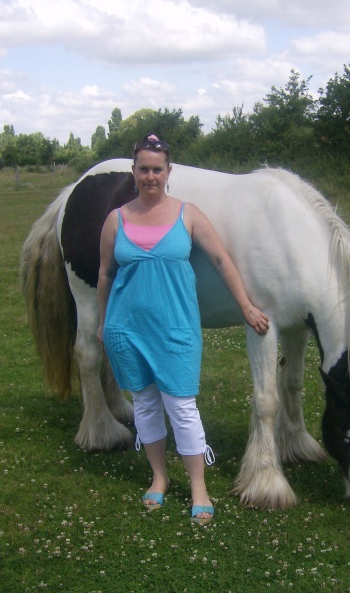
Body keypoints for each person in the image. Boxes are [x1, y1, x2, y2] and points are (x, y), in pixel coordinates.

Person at [97, 134, 269, 524]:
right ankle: (159, 477)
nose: (150, 176)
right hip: (127, 329)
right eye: (143, 169)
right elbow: (105, 274)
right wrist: (104, 323)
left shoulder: (187, 214)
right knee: (144, 403)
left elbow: (222, 261)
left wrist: (245, 305)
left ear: (169, 172)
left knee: (182, 407)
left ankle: (198, 486)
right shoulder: (116, 219)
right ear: (134, 172)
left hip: (176, 329)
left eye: (157, 169)